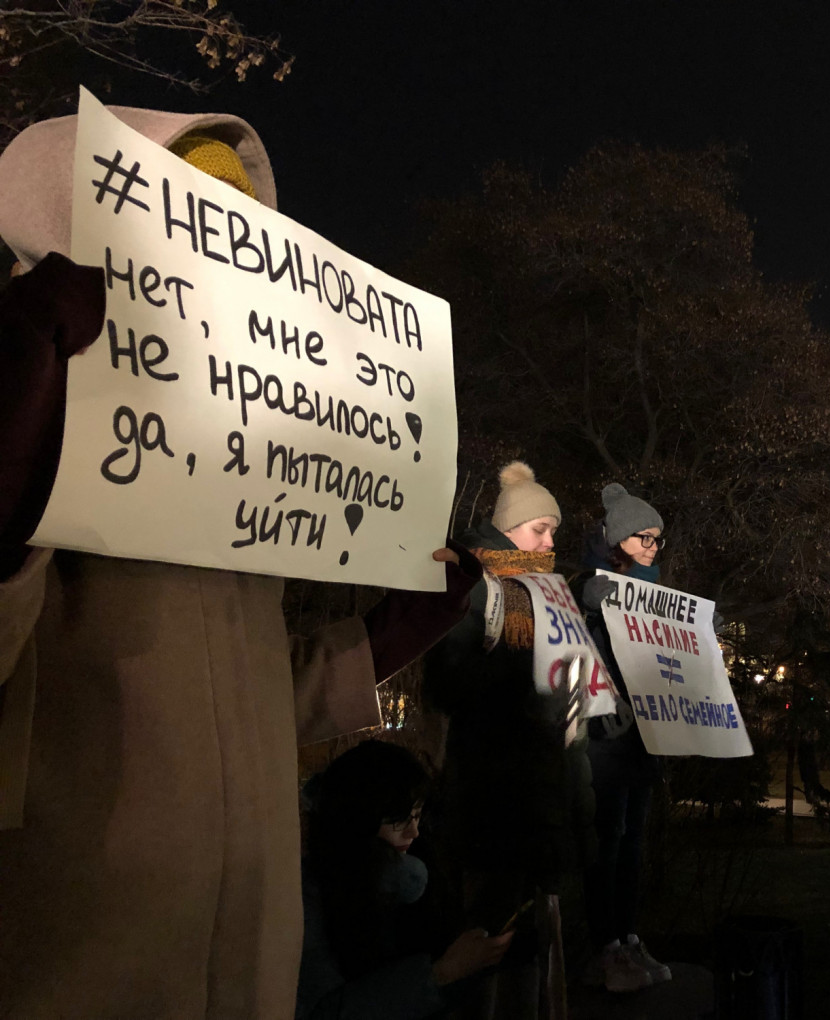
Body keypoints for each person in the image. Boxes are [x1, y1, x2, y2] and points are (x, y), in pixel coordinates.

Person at [0, 107, 482, 1019]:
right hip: (75, 964)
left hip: (251, 965)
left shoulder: (231, 469)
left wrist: (386, 636)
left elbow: (254, 699)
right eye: (194, 214)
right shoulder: (34, 397)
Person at [422, 461, 594, 1017]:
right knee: (487, 947)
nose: (549, 542)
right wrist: (527, 674)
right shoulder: (473, 584)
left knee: (527, 946)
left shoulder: (546, 591)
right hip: (492, 799)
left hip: (538, 793)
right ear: (508, 529)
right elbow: (446, 682)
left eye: (553, 532)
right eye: (540, 529)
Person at [297, 740, 513, 1019]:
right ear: (360, 817)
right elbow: (325, 1011)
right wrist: (439, 975)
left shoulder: (420, 870)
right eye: (400, 820)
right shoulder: (315, 894)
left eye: (417, 816)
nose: (414, 832)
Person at [575, 483, 672, 992]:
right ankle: (605, 947)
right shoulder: (589, 582)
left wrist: (701, 629)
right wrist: (591, 599)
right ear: (618, 538)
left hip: (645, 732)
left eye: (657, 539)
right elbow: (573, 627)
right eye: (644, 537)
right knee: (607, 840)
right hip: (605, 734)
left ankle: (628, 938)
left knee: (634, 842)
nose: (653, 547)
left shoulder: (655, 594)